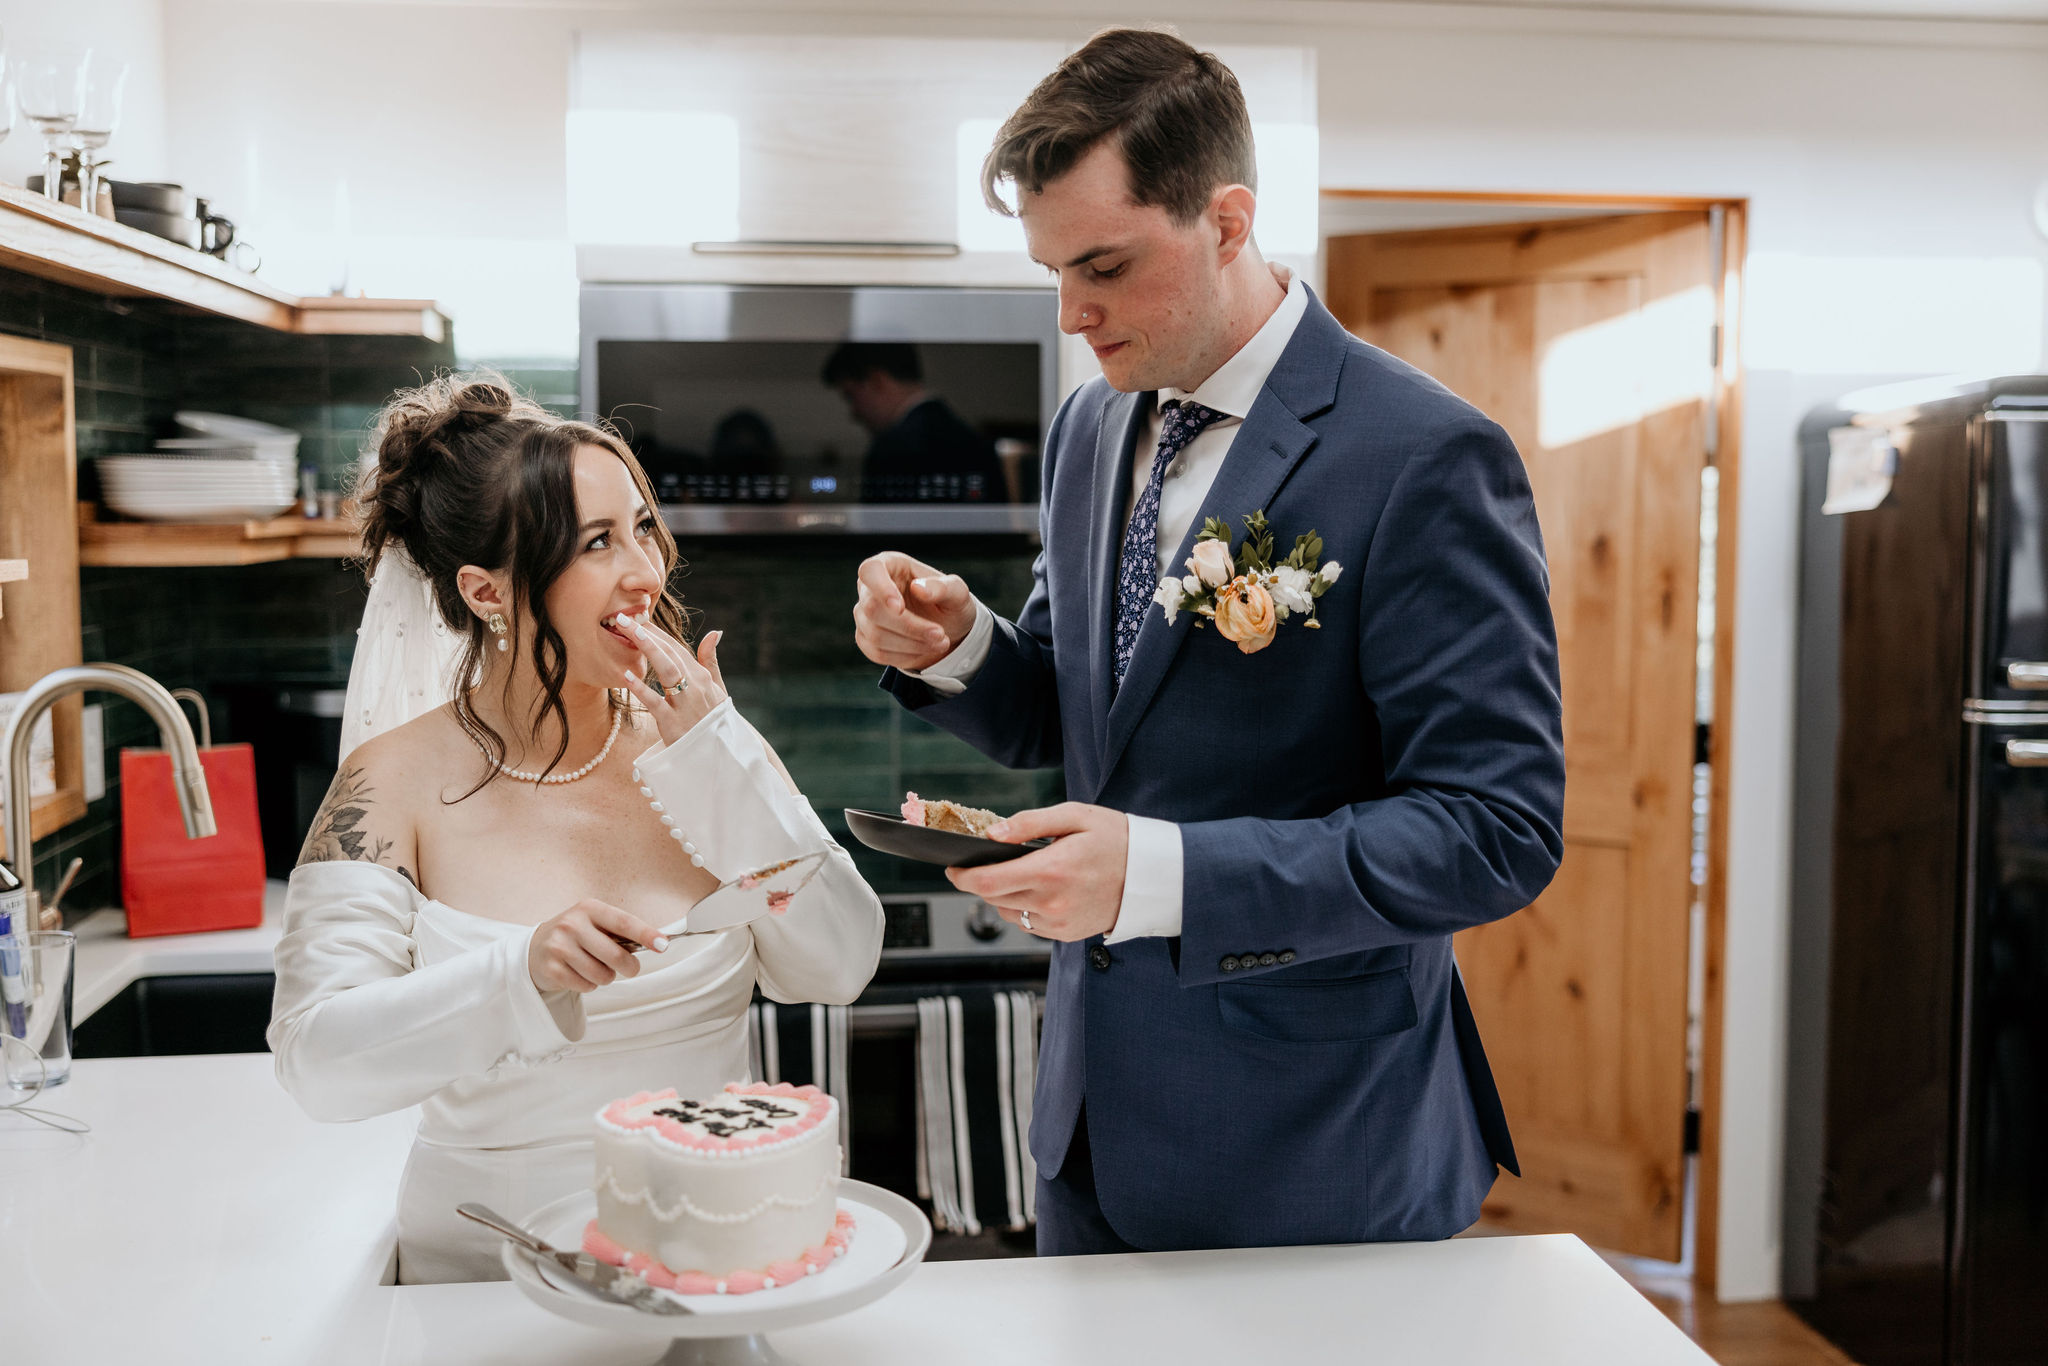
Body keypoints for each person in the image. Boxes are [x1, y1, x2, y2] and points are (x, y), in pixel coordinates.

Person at [852, 28, 1564, 1255]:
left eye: (1105, 266)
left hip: (1316, 1143)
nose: (1072, 313)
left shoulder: (1423, 456)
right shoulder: (1087, 427)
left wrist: (1158, 876)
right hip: (1087, 1124)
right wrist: (959, 646)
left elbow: (1494, 831)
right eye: (1050, 271)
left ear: (1228, 221)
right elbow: (1078, 716)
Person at [268, 375, 883, 1283]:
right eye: (598, 542)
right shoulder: (386, 783)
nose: (646, 570)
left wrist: (726, 767)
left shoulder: (710, 746)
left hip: (712, 1271)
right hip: (482, 1275)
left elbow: (839, 964)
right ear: (485, 590)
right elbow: (318, 1063)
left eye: (641, 525)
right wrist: (522, 974)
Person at [821, 342, 1007, 502]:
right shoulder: (976, 440)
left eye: (851, 396)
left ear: (877, 380)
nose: (854, 413)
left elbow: (876, 537)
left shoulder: (891, 449)